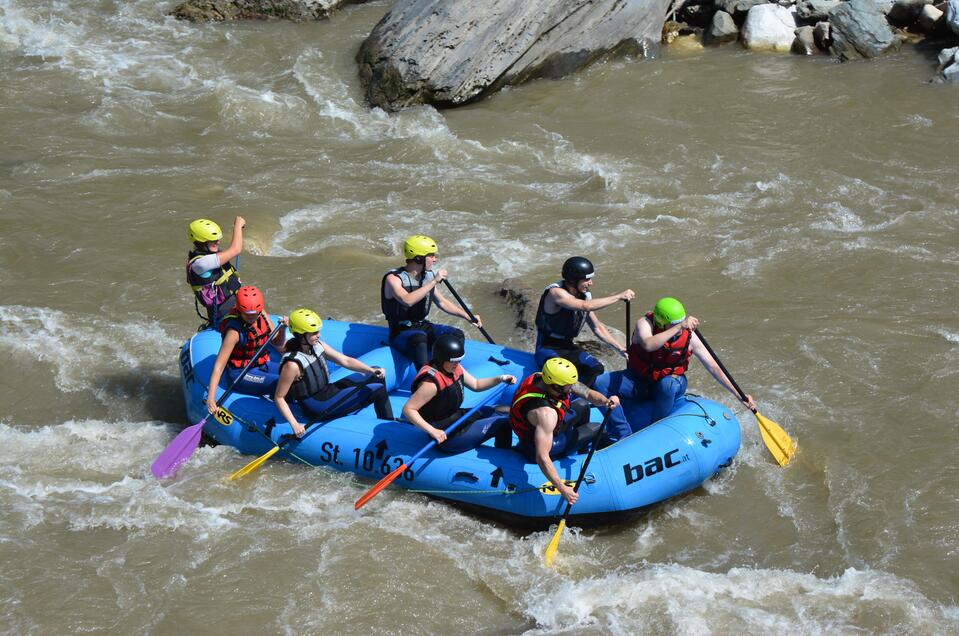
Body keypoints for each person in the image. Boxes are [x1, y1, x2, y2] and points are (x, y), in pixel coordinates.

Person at [604, 297, 756, 433]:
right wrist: (679, 326)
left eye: (681, 322)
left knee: (668, 385)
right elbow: (648, 345)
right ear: (661, 323)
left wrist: (738, 395)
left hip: (670, 384)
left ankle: (656, 429)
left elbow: (713, 366)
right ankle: (621, 430)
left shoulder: (689, 336)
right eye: (675, 324)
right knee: (599, 383)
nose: (681, 327)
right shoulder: (644, 324)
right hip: (640, 381)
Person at [508, 358, 620, 505]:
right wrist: (562, 488)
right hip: (537, 445)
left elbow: (588, 394)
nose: (571, 388)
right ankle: (602, 458)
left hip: (549, 428)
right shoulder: (546, 414)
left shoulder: (544, 379)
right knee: (596, 428)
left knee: (583, 405)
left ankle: (582, 450)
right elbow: (541, 457)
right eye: (568, 386)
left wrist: (606, 402)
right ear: (555, 386)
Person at [275, 308, 394, 437]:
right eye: (314, 333)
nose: (318, 335)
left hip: (327, 391)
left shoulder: (318, 345)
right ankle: (389, 431)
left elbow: (345, 361)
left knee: (374, 373)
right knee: (378, 389)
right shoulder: (292, 365)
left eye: (318, 331)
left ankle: (382, 415)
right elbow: (279, 397)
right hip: (316, 406)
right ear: (300, 335)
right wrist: (294, 424)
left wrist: (371, 370)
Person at [381, 234, 484, 369]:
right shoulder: (393, 279)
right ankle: (425, 380)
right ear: (419, 258)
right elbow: (407, 300)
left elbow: (442, 302)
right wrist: (434, 281)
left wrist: (468, 316)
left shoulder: (427, 276)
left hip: (422, 326)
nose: (435, 260)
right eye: (431, 255)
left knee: (456, 334)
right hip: (400, 332)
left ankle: (447, 372)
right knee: (419, 338)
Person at [402, 334, 516, 452]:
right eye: (454, 361)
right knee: (504, 423)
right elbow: (408, 409)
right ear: (441, 359)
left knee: (505, 410)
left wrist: (501, 378)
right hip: (447, 435)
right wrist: (433, 431)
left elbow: (476, 384)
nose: (457, 364)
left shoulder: (454, 368)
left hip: (457, 418)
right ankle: (506, 457)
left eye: (459, 360)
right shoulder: (430, 384)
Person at [534, 256, 635, 387]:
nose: (590, 283)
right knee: (561, 374)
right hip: (547, 347)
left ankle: (580, 400)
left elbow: (597, 328)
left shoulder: (583, 295)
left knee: (597, 368)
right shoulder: (556, 293)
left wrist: (620, 348)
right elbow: (585, 306)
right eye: (587, 279)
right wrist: (619, 296)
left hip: (567, 346)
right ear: (573, 280)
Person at [206, 285, 286, 412]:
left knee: (291, 375)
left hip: (263, 364)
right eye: (247, 315)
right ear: (238, 311)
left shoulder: (262, 314)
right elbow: (219, 366)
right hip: (240, 373)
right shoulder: (234, 332)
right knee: (281, 383)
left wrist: (282, 330)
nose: (252, 317)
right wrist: (211, 397)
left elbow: (278, 343)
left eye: (254, 314)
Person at [186, 217, 245, 327]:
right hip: (224, 313)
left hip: (237, 304)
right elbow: (236, 249)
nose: (218, 242)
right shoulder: (201, 263)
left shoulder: (209, 256)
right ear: (200, 243)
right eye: (213, 241)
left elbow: (232, 250)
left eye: (217, 239)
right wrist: (237, 226)